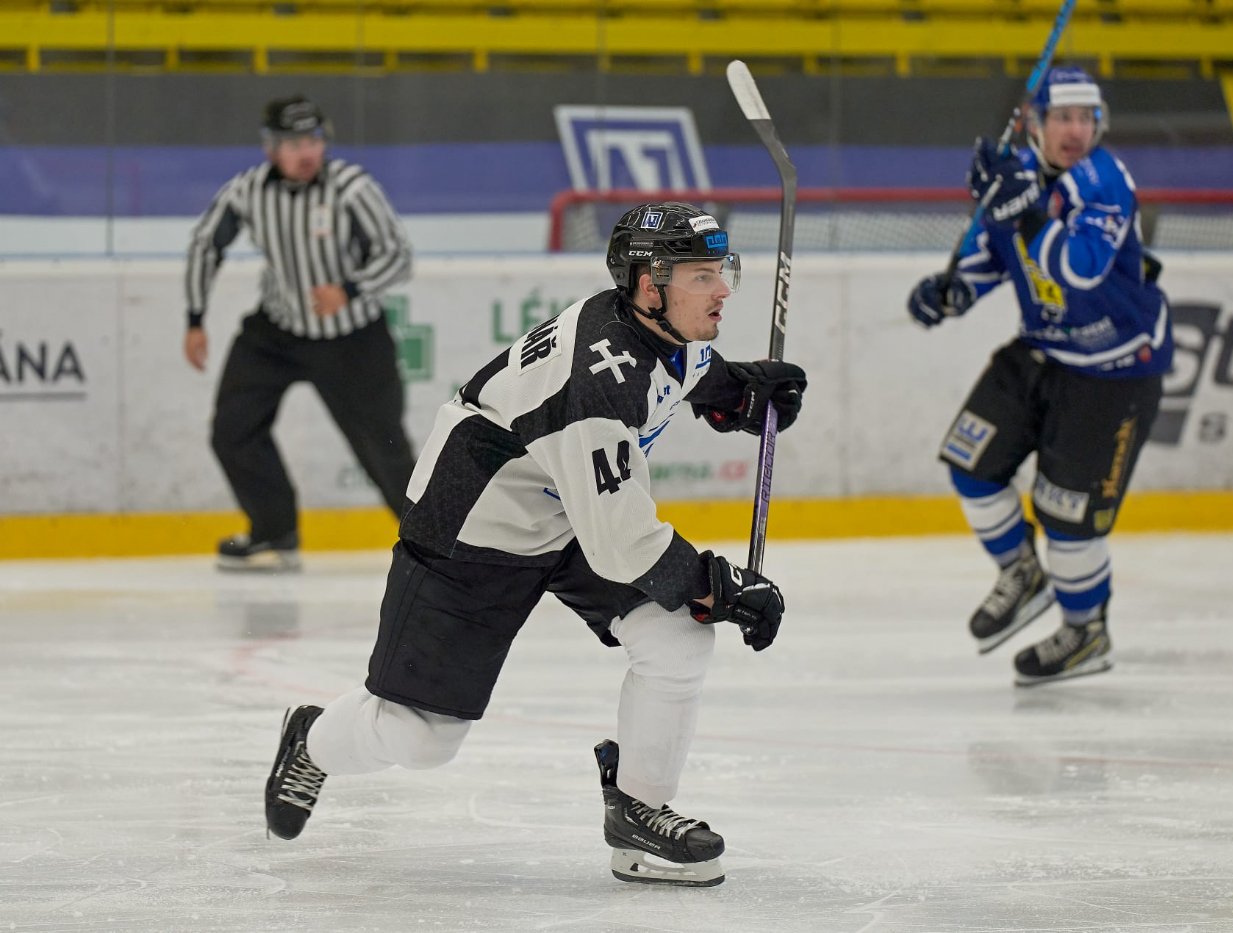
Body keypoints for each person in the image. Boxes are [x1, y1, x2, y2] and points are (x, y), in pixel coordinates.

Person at [261, 202, 807, 887]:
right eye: (703, 276)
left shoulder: (653, 325)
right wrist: (718, 586)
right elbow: (623, 545)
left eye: (721, 270)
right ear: (650, 285)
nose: (723, 288)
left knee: (677, 638)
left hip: (566, 512)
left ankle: (638, 813)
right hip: (470, 532)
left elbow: (689, 369)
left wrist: (737, 392)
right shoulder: (595, 384)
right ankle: (311, 741)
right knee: (421, 737)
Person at [907, 67, 1173, 687]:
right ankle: (1022, 574)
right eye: (1062, 118)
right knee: (971, 464)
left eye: (1086, 119)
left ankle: (1086, 631)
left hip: (1114, 370)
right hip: (1042, 351)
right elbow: (989, 256)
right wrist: (950, 292)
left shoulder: (1105, 181)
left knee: (1067, 520)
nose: (1076, 131)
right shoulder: (1017, 175)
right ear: (1034, 122)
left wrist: (1021, 211)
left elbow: (1079, 267)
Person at [183, 94, 416, 572]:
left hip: (354, 338)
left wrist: (349, 289)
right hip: (278, 332)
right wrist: (195, 318)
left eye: (313, 140)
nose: (306, 152)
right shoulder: (247, 191)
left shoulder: (352, 188)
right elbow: (206, 244)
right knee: (233, 431)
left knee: (384, 447)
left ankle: (434, 543)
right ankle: (274, 530)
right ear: (271, 148)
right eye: (293, 144)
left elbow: (398, 255)